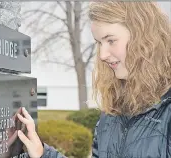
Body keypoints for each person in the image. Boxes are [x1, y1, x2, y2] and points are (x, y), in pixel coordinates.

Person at [16, 2, 171, 158]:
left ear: (143, 37)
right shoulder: (112, 111)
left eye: (111, 40)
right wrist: (42, 154)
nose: (102, 55)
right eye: (99, 43)